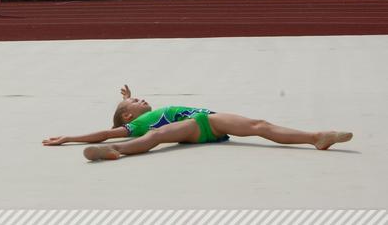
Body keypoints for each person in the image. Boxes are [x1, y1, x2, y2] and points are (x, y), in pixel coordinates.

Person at [42, 84, 353, 161]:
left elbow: (130, 111)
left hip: (210, 122)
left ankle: (316, 137)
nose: (141, 100)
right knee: (157, 136)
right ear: (127, 116)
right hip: (192, 127)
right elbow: (106, 131)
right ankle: (117, 152)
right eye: (135, 101)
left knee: (259, 125)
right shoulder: (136, 126)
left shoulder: (141, 116)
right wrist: (69, 138)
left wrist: (127, 96)